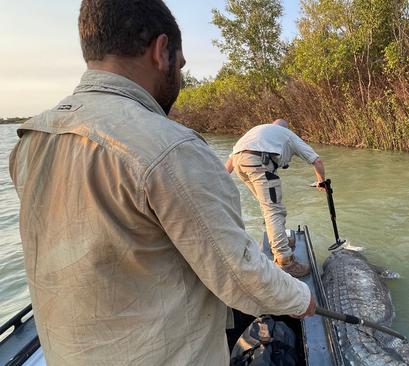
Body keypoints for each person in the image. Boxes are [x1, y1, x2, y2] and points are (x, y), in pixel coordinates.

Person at [8, 1, 315, 365]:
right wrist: (301, 299)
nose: (181, 77)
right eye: (181, 65)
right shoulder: (170, 147)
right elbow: (239, 272)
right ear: (161, 50)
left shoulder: (31, 141)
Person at [225, 119, 326, 278]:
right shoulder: (288, 135)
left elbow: (231, 161)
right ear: (286, 128)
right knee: (274, 211)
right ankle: (285, 261)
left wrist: (222, 180)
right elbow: (316, 160)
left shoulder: (257, 130)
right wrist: (321, 182)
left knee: (266, 206)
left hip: (240, 164)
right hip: (259, 165)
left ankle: (279, 239)